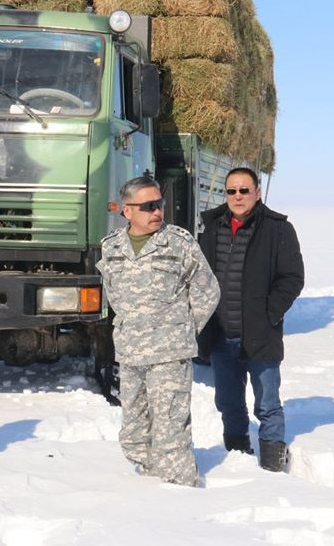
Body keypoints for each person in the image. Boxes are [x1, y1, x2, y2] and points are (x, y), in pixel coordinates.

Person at [96, 176, 220, 487]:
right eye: (149, 206)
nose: (157, 212)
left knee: (170, 433)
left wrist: (183, 330)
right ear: (127, 211)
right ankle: (152, 495)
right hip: (131, 352)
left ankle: (179, 495)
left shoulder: (179, 243)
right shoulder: (111, 248)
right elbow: (113, 294)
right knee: (135, 434)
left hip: (170, 354)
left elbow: (208, 292)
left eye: (160, 205)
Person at [197, 167, 305, 472]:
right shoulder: (212, 227)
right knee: (229, 404)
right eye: (231, 191)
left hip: (259, 335)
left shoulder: (277, 229)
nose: (238, 196)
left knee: (267, 405)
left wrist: (269, 313)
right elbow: (199, 276)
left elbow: (293, 277)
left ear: (257, 192)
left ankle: (272, 464)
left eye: (244, 190)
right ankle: (238, 459)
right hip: (220, 335)